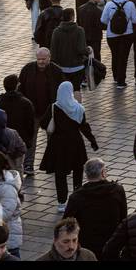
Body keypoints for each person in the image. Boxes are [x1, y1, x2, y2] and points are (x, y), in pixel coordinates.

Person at [40, 81, 99, 210]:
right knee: (78, 170)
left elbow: (44, 124)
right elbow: (84, 126)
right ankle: (76, 196)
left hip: (58, 144)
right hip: (76, 143)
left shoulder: (54, 107)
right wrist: (92, 140)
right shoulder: (78, 108)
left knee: (60, 174)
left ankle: (62, 202)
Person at [63, 157, 128, 258]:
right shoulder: (117, 191)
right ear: (102, 173)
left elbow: (66, 222)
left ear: (87, 175)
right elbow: (124, 218)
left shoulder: (77, 196)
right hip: (111, 243)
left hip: (87, 245)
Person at [16, 49, 63, 172]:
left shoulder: (57, 71)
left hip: (50, 112)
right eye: (39, 59)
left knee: (52, 138)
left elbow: (62, 91)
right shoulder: (27, 69)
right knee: (31, 139)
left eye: (43, 59)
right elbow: (20, 89)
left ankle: (52, 162)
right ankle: (28, 164)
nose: (41, 62)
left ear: (49, 58)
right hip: (32, 112)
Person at [0, 76, 38, 177]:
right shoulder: (26, 103)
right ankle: (17, 187)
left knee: (3, 167)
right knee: (18, 167)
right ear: (17, 85)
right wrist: (28, 140)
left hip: (3, 142)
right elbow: (30, 125)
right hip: (20, 141)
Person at [100, 0, 136, 89]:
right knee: (123, 57)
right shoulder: (130, 4)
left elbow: (103, 20)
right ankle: (121, 81)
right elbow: (135, 19)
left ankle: (116, 77)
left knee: (115, 55)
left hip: (111, 35)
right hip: (127, 34)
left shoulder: (109, 4)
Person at [49, 7, 90, 94]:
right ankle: (77, 107)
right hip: (77, 66)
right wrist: (88, 50)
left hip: (62, 67)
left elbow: (53, 50)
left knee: (64, 91)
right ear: (72, 17)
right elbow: (81, 49)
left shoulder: (56, 31)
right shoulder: (80, 30)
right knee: (76, 90)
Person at [0, 108, 27, 182]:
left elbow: (11, 148)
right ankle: (16, 182)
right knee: (15, 169)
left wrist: (5, 155)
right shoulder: (9, 132)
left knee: (16, 169)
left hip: (16, 153)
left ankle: (17, 183)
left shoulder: (8, 133)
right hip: (13, 152)